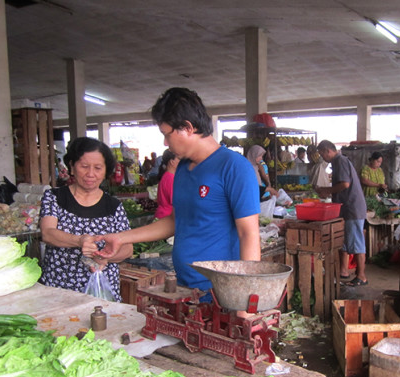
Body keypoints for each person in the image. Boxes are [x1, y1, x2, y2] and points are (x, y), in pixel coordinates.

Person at [97, 87, 260, 294]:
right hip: (184, 286)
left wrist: (245, 300)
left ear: (187, 128)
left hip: (220, 291)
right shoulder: (182, 168)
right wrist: (121, 238)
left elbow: (249, 234)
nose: (165, 142)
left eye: (167, 134)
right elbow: (175, 221)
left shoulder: (233, 167)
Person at [39, 137, 133, 302]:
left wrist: (106, 257)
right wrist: (80, 240)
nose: (91, 174)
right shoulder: (55, 197)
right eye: (84, 166)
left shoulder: (114, 206)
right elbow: (48, 234)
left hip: (100, 290)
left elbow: (128, 249)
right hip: (59, 287)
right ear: (72, 167)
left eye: (98, 168)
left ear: (105, 172)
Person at [315, 140, 368, 286]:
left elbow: (345, 184)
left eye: (321, 154)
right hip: (347, 208)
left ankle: (361, 276)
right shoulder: (339, 162)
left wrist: (327, 191)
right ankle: (343, 271)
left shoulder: (340, 161)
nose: (322, 157)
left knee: (357, 243)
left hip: (352, 208)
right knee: (345, 241)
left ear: (327, 151)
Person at [154, 149, 180, 219]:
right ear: (172, 162)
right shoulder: (171, 179)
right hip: (168, 218)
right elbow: (176, 203)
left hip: (162, 215)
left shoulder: (166, 176)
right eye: (179, 159)